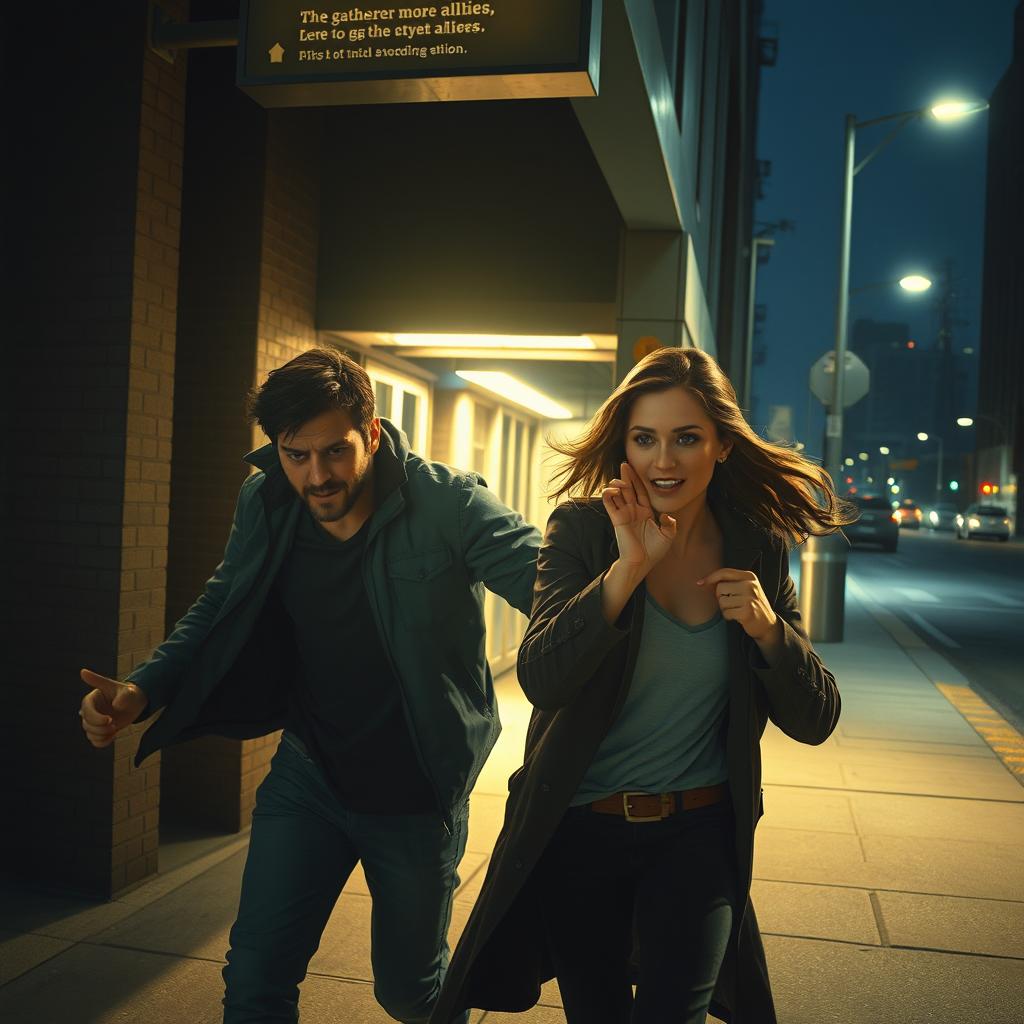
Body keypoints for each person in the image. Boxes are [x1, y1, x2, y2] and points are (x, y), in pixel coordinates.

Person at [78, 347, 542, 1024]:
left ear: (372, 433)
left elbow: (556, 596)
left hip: (415, 794)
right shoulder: (267, 498)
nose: (316, 476)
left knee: (410, 994)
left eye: (335, 451)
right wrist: (142, 689)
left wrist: (632, 572)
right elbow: (221, 601)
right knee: (255, 978)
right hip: (309, 776)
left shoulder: (449, 504)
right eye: (296, 455)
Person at [428, 346, 855, 1024]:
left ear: (720, 446)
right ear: (623, 445)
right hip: (580, 835)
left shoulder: (756, 545)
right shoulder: (583, 531)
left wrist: (770, 629)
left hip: (700, 833)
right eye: (646, 438)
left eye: (687, 438)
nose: (665, 460)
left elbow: (817, 717)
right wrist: (626, 570)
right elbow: (543, 677)